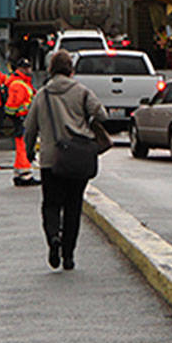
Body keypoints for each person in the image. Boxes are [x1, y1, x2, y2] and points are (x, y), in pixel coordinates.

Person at [24, 49, 110, 270]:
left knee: (51, 205)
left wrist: (29, 151)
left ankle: (53, 237)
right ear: (71, 70)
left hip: (51, 160)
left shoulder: (41, 95)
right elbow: (102, 115)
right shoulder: (82, 92)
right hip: (77, 159)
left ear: (51, 70)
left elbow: (30, 127)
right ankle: (68, 255)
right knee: (73, 207)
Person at [5, 59, 39, 186]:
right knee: (24, 148)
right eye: (28, 67)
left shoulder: (22, 83)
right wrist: (19, 115)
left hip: (22, 119)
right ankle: (25, 174)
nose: (30, 70)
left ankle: (21, 173)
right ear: (22, 69)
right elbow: (12, 105)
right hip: (22, 119)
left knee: (22, 148)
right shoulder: (18, 85)